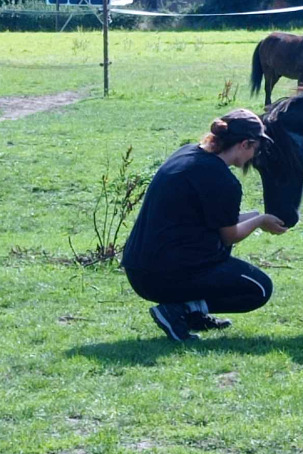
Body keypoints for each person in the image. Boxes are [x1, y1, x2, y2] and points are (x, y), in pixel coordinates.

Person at [121, 108, 288, 342]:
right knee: (259, 288)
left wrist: (256, 217)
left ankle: (192, 315)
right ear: (245, 144)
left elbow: (212, 219)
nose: (254, 156)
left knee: (226, 265)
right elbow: (229, 235)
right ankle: (179, 311)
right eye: (255, 149)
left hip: (140, 268)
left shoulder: (187, 154)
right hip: (164, 274)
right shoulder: (222, 180)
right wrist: (260, 221)